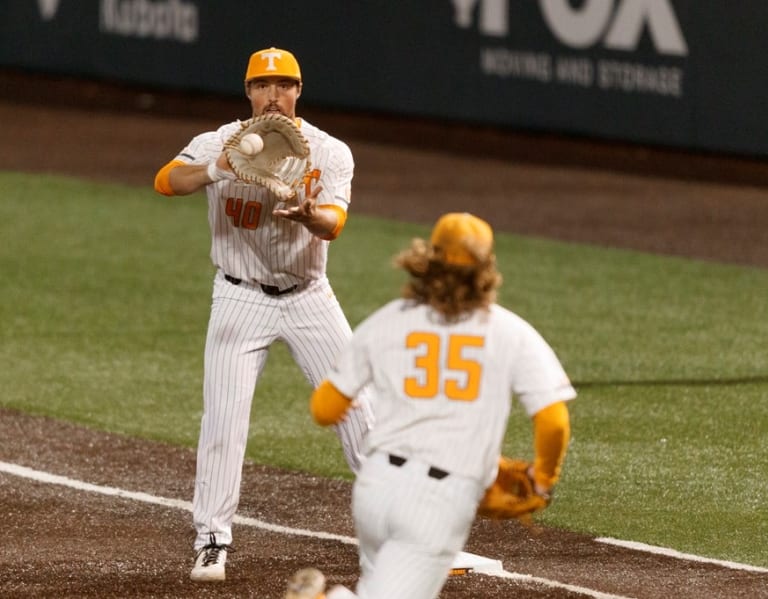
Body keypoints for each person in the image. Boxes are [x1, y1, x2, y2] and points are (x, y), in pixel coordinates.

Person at [153, 46, 373, 582]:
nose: (273, 94)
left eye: (284, 84)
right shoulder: (217, 141)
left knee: (361, 412)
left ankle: (399, 533)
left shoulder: (329, 151)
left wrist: (310, 215)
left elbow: (335, 223)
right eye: (262, 84)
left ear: (299, 90)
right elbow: (165, 181)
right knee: (224, 421)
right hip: (238, 296)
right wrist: (216, 169)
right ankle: (211, 539)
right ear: (248, 92)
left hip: (308, 297)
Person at [301, 212, 576, 599]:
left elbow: (324, 409)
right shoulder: (509, 332)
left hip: (375, 486)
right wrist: (544, 480)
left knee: (378, 589)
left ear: (427, 261)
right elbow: (553, 421)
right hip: (438, 501)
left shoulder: (389, 321)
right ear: (486, 269)